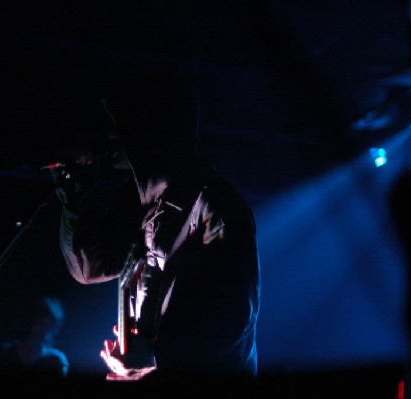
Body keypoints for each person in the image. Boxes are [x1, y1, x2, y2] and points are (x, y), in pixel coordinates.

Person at [50, 69, 261, 383]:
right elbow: (90, 267)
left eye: (118, 124)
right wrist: (74, 195)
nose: (109, 136)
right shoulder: (139, 202)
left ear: (146, 129)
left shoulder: (215, 204)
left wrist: (152, 357)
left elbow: (231, 316)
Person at [0, 296, 69, 379]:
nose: (45, 331)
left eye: (50, 327)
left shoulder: (56, 360)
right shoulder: (5, 354)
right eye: (42, 324)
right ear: (31, 322)